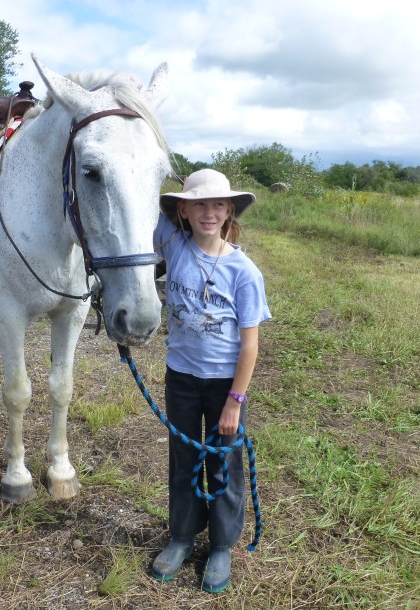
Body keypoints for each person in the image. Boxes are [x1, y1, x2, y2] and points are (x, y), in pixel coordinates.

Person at [150, 169, 271, 593]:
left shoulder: (244, 272)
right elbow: (136, 194)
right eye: (199, 203)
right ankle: (183, 534)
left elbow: (251, 345)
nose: (209, 212)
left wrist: (235, 401)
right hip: (180, 378)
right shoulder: (171, 243)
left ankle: (221, 544)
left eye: (218, 204)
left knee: (223, 465)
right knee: (184, 460)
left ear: (229, 211)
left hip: (224, 386)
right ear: (183, 210)